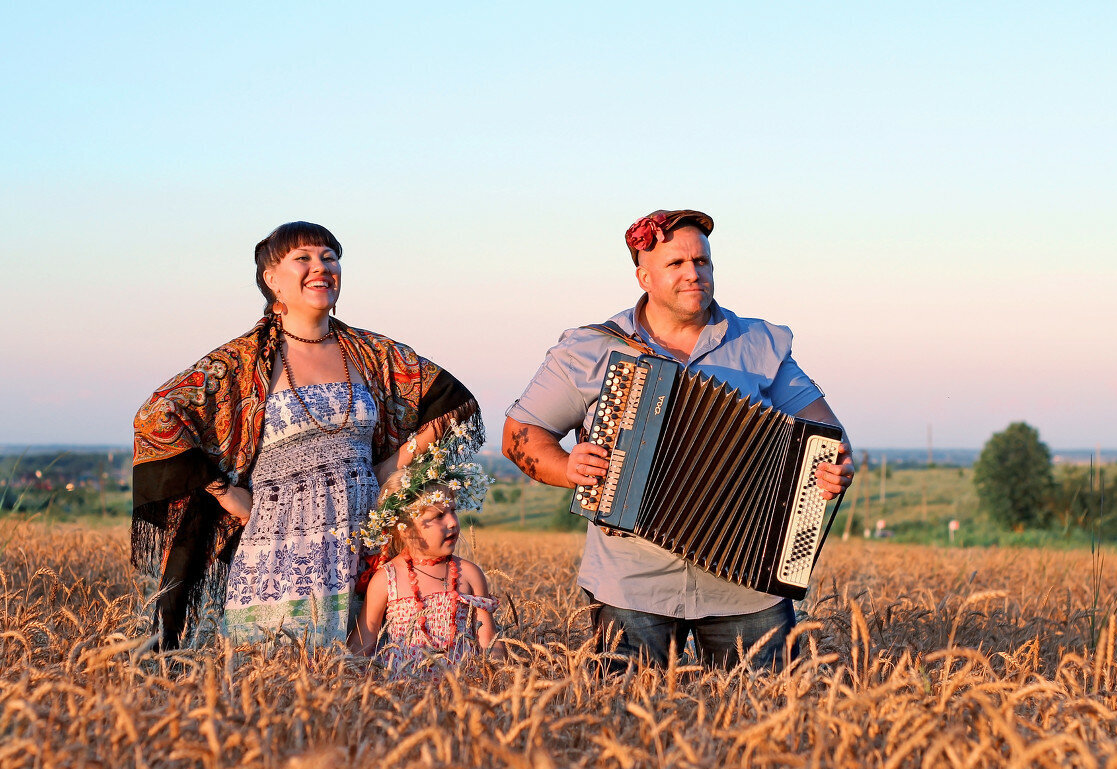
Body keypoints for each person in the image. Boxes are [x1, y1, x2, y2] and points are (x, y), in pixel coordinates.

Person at [502, 208, 853, 671]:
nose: (694, 274)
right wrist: (566, 468)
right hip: (631, 582)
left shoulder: (760, 343)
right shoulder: (589, 349)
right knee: (624, 724)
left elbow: (827, 436)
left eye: (702, 262)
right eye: (676, 264)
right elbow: (519, 435)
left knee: (763, 722)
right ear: (643, 276)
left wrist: (835, 467)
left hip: (747, 588)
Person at [132, 221, 483, 648]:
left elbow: (452, 402)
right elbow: (158, 414)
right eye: (303, 258)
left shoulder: (371, 353)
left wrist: (392, 467)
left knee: (362, 676)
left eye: (329, 257)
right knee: (273, 679)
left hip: (361, 540)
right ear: (272, 279)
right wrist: (223, 491)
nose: (320, 266)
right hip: (278, 542)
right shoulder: (245, 361)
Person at [348, 440, 501, 675]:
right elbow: (362, 645)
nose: (452, 522)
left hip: (463, 692)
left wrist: (501, 680)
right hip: (404, 694)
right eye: (439, 516)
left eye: (453, 510)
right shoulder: (386, 579)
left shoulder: (470, 574)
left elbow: (489, 642)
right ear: (405, 528)